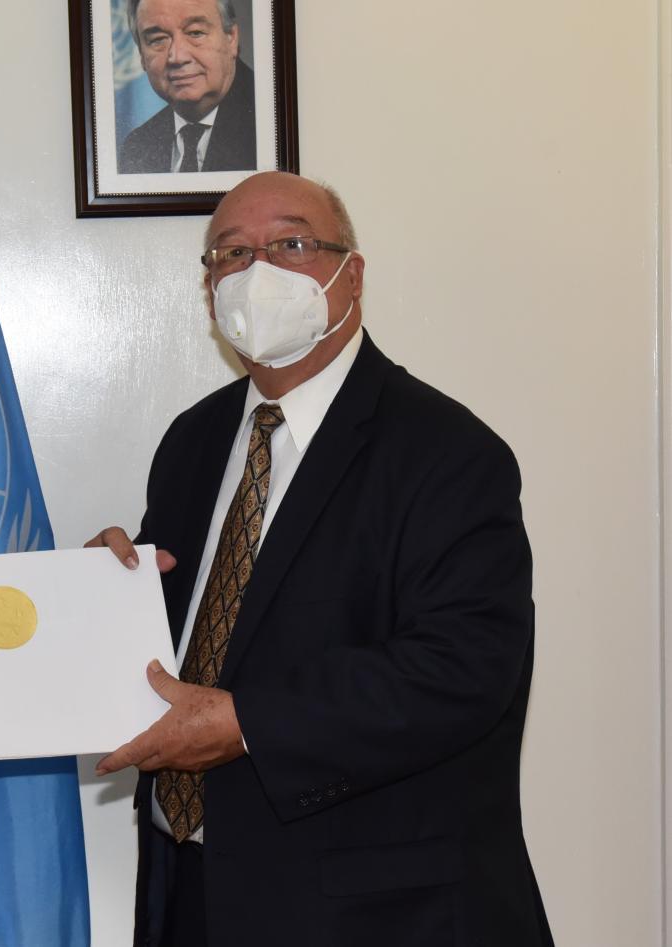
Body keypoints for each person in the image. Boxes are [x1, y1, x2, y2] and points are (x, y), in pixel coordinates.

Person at [88, 172, 554, 945]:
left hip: (373, 913)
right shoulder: (193, 441)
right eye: (230, 254)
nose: (256, 271)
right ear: (209, 291)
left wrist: (247, 724)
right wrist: (99, 598)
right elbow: (185, 651)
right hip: (191, 892)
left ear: (352, 274)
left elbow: (464, 668)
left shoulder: (448, 453)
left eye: (291, 244)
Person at [118, 0, 256, 174]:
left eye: (195, 33)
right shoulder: (136, 147)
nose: (177, 57)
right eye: (158, 40)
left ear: (231, 38)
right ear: (141, 56)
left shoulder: (272, 124)